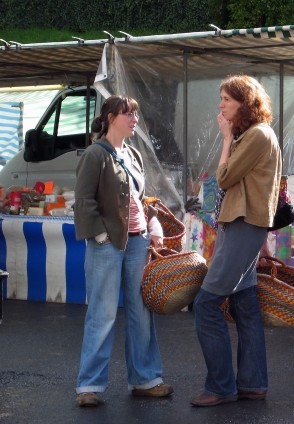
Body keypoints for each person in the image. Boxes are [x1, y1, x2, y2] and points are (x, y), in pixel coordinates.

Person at [73, 95, 173, 407]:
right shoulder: (95, 154)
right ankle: (89, 386)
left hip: (137, 241)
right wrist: (101, 234)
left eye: (135, 115)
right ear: (110, 117)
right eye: (128, 114)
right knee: (101, 314)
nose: (134, 120)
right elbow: (84, 200)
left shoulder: (131, 154)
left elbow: (141, 198)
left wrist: (152, 224)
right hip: (108, 244)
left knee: (140, 312)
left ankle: (145, 380)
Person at [191, 74, 282, 407]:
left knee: (205, 304)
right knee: (244, 306)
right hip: (244, 225)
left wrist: (227, 138)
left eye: (227, 99)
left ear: (245, 102)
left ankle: (220, 386)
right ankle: (252, 383)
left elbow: (225, 178)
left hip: (244, 224)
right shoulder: (256, 135)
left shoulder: (255, 135)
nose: (221, 105)